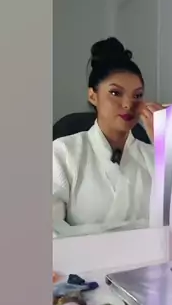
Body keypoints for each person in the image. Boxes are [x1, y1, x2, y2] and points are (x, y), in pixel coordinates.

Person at [53, 38, 163, 236]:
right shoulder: (62, 153)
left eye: (137, 95)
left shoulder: (156, 157)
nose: (128, 104)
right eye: (115, 93)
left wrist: (167, 147)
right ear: (92, 96)